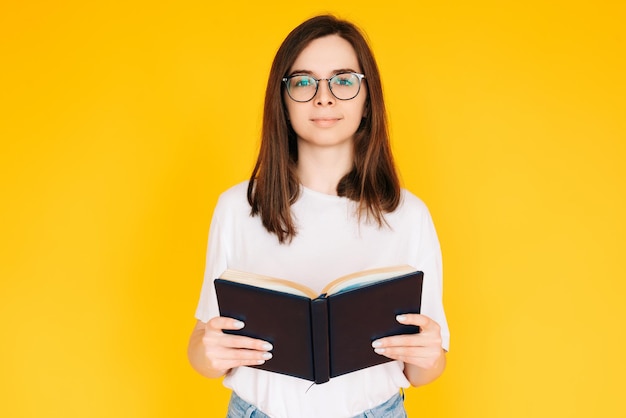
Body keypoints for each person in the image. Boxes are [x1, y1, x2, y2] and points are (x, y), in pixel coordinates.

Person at [188, 14, 450, 418]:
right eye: (304, 81)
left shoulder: (408, 215)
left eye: (343, 80)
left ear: (367, 100)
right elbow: (203, 347)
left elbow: (421, 372)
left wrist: (429, 352)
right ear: (283, 99)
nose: (323, 97)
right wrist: (210, 351)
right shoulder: (238, 207)